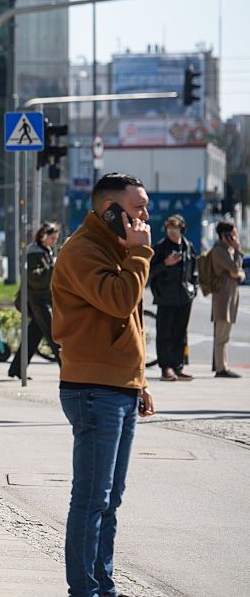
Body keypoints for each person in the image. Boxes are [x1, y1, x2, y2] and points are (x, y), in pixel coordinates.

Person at [51, 172, 156, 597]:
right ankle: (85, 589)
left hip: (119, 387)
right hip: (93, 389)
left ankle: (103, 586)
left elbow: (127, 321)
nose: (145, 217)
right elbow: (118, 300)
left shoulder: (116, 247)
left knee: (109, 500)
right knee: (92, 498)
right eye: (138, 208)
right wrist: (142, 254)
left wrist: (139, 380)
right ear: (110, 210)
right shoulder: (82, 252)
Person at [7, 221, 62, 378]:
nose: (54, 241)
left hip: (41, 299)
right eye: (52, 238)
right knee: (54, 334)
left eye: (55, 238)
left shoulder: (45, 251)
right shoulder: (35, 253)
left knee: (33, 337)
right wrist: (53, 267)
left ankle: (16, 369)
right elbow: (34, 278)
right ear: (44, 237)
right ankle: (66, 370)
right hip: (38, 300)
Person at [148, 215, 198, 381]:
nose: (172, 232)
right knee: (165, 333)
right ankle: (166, 368)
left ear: (181, 229)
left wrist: (194, 289)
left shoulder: (188, 247)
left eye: (175, 229)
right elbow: (150, 271)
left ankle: (178, 367)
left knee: (180, 333)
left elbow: (194, 272)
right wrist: (165, 264)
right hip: (166, 297)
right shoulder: (161, 247)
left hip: (184, 297)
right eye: (169, 229)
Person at [210, 221, 244, 378]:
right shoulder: (219, 251)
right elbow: (236, 270)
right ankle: (220, 368)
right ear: (225, 235)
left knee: (225, 334)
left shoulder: (228, 250)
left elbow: (239, 274)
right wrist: (238, 251)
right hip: (223, 297)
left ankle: (222, 365)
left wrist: (237, 270)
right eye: (233, 234)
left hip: (230, 296)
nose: (235, 237)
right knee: (221, 335)